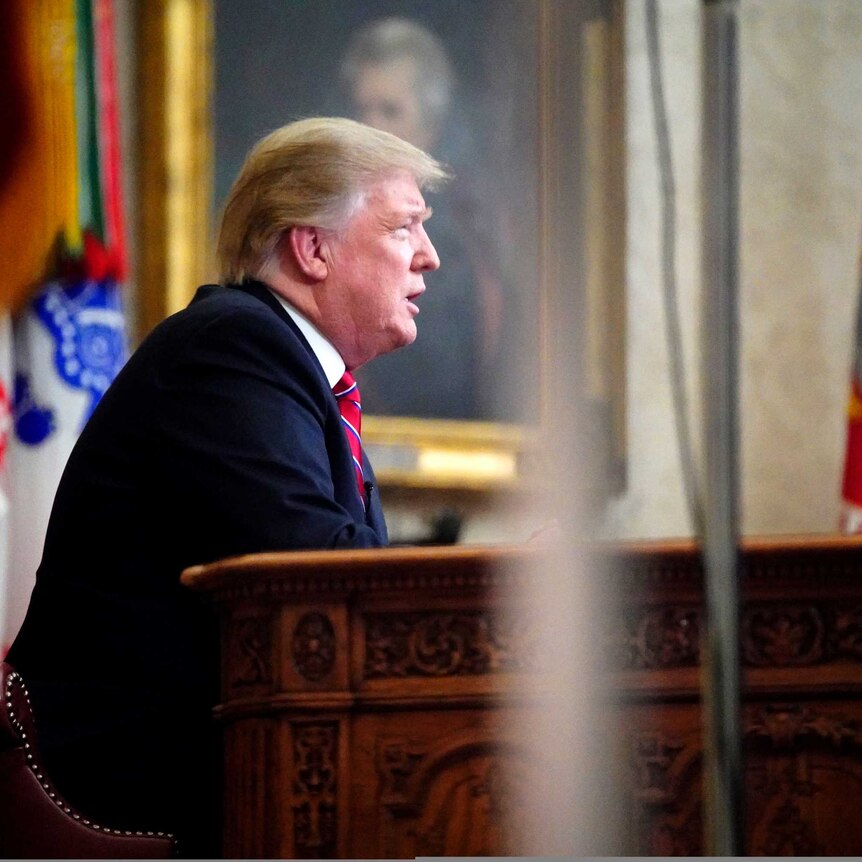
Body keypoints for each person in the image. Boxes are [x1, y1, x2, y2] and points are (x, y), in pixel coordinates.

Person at [6, 117, 447, 857]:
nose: (429, 258)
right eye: (406, 228)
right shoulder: (234, 346)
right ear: (313, 248)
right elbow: (312, 572)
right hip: (141, 775)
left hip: (235, 756)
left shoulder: (295, 370)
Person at [340, 17, 510, 421]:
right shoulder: (337, 213)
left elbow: (437, 374)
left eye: (389, 111)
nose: (370, 127)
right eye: (362, 109)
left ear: (430, 126)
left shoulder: (457, 228)